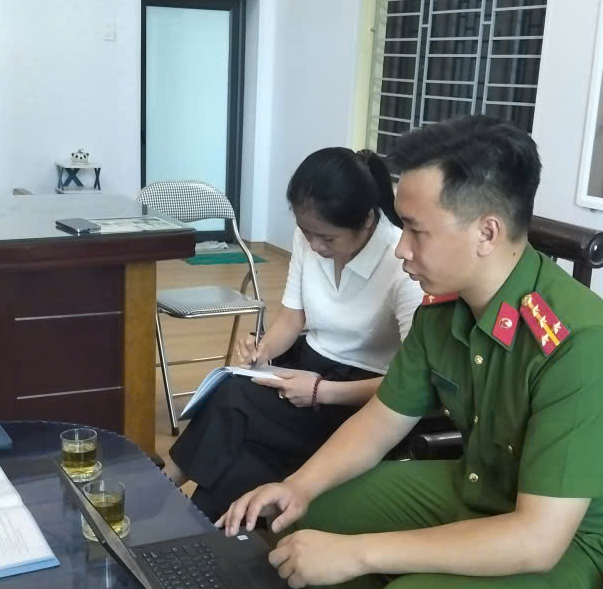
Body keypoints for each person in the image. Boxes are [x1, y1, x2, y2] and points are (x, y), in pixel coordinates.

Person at [217, 116, 603, 589]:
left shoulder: (581, 345)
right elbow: (382, 420)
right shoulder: (446, 310)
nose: (400, 249)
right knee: (307, 517)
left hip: (593, 550)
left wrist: (358, 554)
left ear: (487, 232)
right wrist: (299, 487)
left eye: (415, 230)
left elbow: (538, 540)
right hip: (489, 487)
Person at [164, 147, 424, 520]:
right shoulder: (309, 239)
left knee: (234, 396)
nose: (315, 245)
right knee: (242, 455)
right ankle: (192, 525)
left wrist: (321, 391)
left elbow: (410, 385)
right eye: (306, 233)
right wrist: (263, 351)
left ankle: (161, 490)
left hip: (360, 398)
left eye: (328, 238)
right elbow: (291, 318)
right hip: (305, 372)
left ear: (367, 220)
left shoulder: (401, 266)